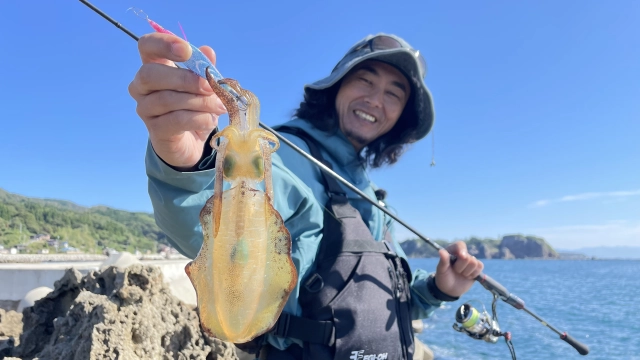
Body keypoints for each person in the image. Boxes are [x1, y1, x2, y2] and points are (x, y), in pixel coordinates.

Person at [128, 32, 484, 359]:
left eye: (394, 93)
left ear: (401, 118)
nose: (376, 100)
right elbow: (213, 229)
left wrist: (440, 288)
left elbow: (388, 300)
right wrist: (194, 165)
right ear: (336, 88)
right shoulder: (285, 155)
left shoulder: (375, 199)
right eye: (365, 80)